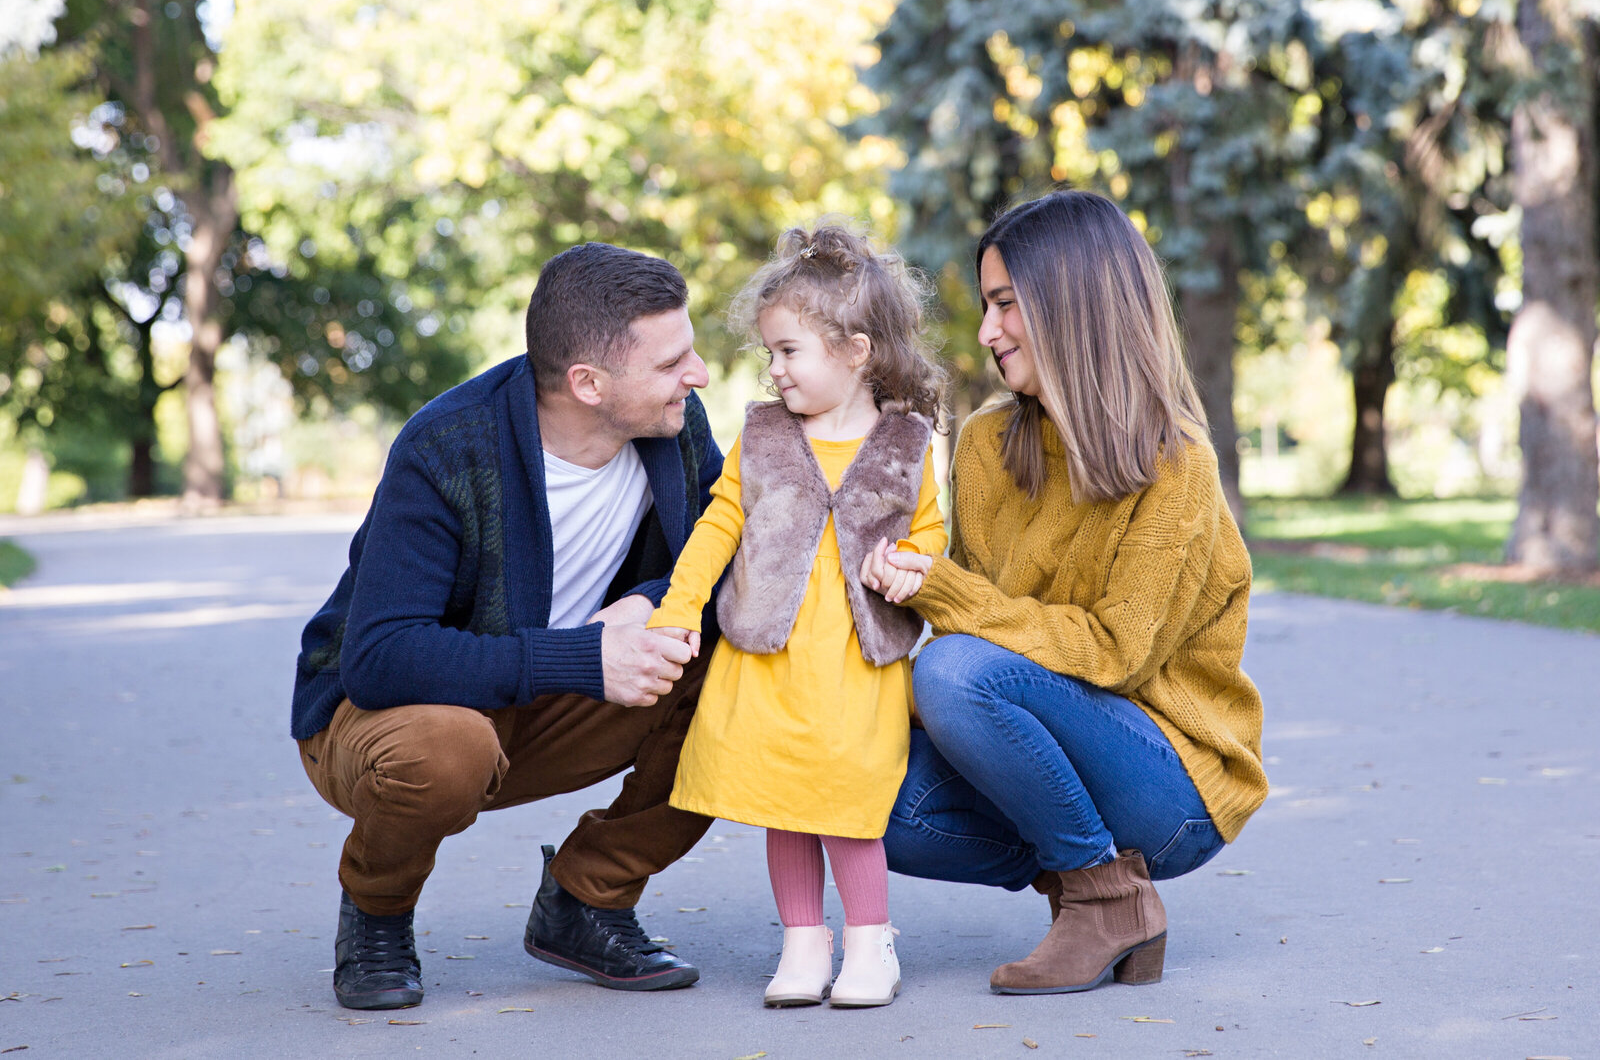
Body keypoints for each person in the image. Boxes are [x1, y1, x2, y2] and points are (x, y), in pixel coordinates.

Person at [291, 243, 724, 1010]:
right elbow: (382, 657)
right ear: (588, 384)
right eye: (671, 363)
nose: (697, 375)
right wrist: (585, 659)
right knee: (446, 748)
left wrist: (655, 596)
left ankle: (587, 898)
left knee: (738, 675)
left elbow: (732, 551)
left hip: (544, 704)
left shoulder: (675, 426)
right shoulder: (447, 447)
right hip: (380, 721)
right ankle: (377, 910)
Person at [860, 190, 1267, 995]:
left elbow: (1112, 652)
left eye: (1007, 304)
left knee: (957, 672)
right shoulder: (981, 445)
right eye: (986, 305)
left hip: (1170, 778)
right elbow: (978, 631)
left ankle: (1103, 899)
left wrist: (945, 595)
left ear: (1076, 305)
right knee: (864, 794)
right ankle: (1097, 888)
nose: (986, 331)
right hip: (1049, 751)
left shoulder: (1175, 465)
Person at [645, 225, 948, 1009]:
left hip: (855, 661)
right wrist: (678, 608)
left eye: (789, 351)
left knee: (847, 806)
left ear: (855, 350)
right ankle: (802, 943)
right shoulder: (763, 435)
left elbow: (932, 530)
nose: (773, 369)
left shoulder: (907, 442)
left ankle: (870, 944)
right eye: (770, 353)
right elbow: (721, 523)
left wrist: (914, 561)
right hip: (770, 657)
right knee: (784, 805)